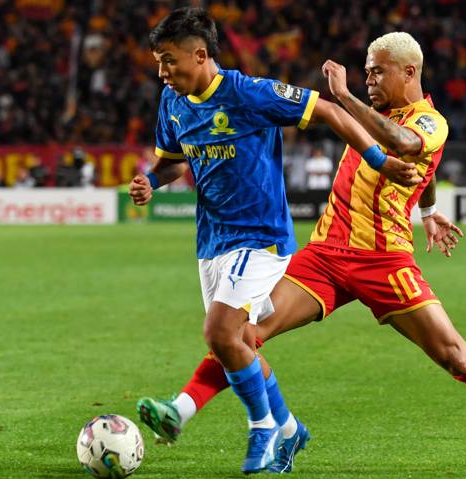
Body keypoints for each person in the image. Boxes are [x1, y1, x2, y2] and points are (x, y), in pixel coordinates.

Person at [139, 32, 466, 472]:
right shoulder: (372, 118)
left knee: (454, 354)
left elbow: (407, 146)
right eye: (366, 72)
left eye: (377, 72)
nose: (369, 80)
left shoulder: (429, 121)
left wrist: (345, 95)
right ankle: (209, 415)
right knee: (242, 334)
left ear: (409, 72)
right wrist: (429, 209)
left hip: (384, 260)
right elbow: (411, 162)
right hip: (325, 255)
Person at [128, 8, 419, 475]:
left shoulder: (249, 93)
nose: (162, 72)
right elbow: (173, 162)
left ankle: (261, 426)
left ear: (200, 55)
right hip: (213, 243)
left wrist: (380, 160)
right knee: (236, 346)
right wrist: (150, 181)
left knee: (219, 334)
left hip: (261, 238)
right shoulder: (173, 102)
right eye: (158, 62)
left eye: (168, 61)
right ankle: (288, 428)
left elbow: (325, 112)